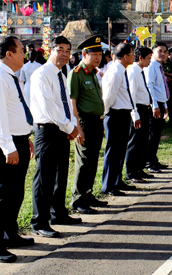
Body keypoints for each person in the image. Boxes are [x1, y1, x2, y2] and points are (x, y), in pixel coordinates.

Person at [0, 36, 35, 263]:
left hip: (18, 139)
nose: (26, 54)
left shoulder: (11, 76)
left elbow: (14, 110)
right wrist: (8, 147)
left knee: (15, 192)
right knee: (1, 194)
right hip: (4, 142)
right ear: (9, 54)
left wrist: (25, 136)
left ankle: (9, 233)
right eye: (22, 50)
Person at [30, 36, 81, 238]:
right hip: (48, 129)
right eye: (60, 49)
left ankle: (58, 213)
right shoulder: (42, 74)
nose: (65, 54)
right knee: (44, 178)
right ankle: (39, 221)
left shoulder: (61, 73)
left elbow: (65, 103)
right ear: (49, 50)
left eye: (68, 51)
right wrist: (69, 126)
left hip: (61, 128)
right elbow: (48, 107)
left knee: (60, 174)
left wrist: (71, 125)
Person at [68, 35, 108, 214]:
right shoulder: (76, 74)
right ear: (84, 54)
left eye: (100, 54)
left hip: (97, 121)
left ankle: (88, 193)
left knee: (92, 160)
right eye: (94, 54)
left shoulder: (93, 73)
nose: (98, 58)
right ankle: (78, 199)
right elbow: (72, 102)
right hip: (84, 122)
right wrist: (77, 128)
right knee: (83, 160)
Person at [101, 42, 137, 196]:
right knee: (113, 151)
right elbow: (108, 96)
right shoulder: (115, 71)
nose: (134, 57)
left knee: (120, 150)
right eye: (132, 54)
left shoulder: (122, 70)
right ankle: (109, 185)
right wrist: (107, 113)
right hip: (115, 114)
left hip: (123, 114)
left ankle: (117, 181)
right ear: (125, 56)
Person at [125, 46, 154, 183]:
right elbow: (132, 95)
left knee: (142, 141)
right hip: (137, 110)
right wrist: (134, 114)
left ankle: (139, 168)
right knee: (134, 142)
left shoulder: (141, 71)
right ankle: (131, 172)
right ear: (141, 58)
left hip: (144, 109)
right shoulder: (133, 72)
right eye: (148, 58)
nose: (150, 61)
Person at [145, 42, 169, 173]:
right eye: (160, 51)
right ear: (153, 52)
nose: (163, 54)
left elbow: (161, 88)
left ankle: (153, 160)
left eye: (165, 51)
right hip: (154, 105)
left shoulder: (159, 66)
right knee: (152, 134)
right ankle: (148, 162)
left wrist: (164, 105)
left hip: (160, 103)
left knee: (157, 134)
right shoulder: (151, 66)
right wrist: (155, 106)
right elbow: (150, 87)